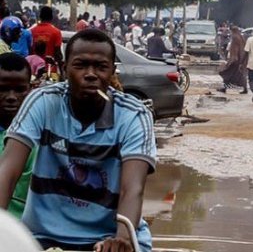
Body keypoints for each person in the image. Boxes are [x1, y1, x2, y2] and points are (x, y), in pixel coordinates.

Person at [0, 29, 156, 251]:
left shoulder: (134, 115)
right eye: (80, 65)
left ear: (112, 71)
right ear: (64, 69)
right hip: (41, 238)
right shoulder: (43, 102)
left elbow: (133, 188)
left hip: (108, 238)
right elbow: (7, 171)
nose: (91, 74)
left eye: (101, 67)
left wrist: (122, 239)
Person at [0, 53, 36, 219]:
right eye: (3, 89)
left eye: (20, 90)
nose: (12, 97)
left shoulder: (39, 138)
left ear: (30, 89)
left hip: (29, 232)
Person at [218, 26, 248, 93]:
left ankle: (225, 88)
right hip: (241, 60)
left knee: (226, 73)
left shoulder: (235, 38)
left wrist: (232, 59)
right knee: (240, 75)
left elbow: (235, 49)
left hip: (235, 60)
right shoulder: (241, 37)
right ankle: (245, 89)